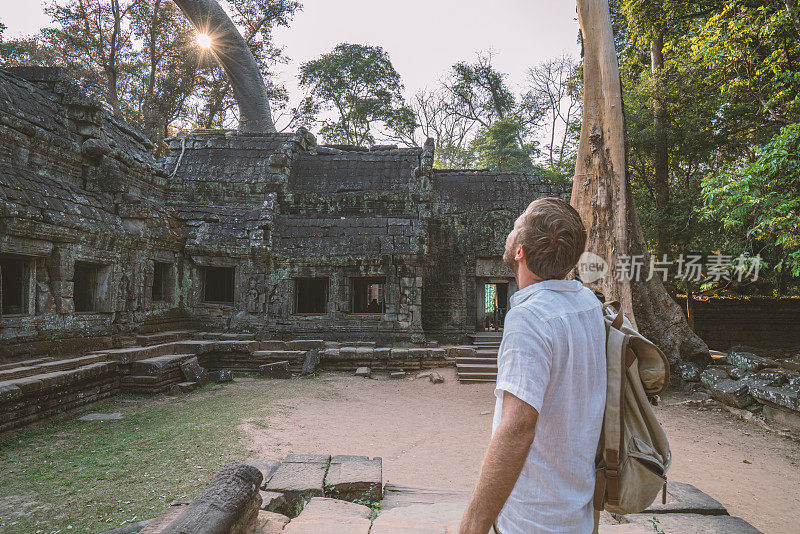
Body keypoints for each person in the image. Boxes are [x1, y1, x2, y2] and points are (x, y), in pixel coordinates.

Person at [459, 198, 607, 534]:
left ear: (519, 252)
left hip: (533, 519)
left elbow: (518, 429)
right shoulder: (586, 303)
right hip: (574, 509)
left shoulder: (528, 318)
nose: (509, 232)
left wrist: (474, 523)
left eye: (515, 227)